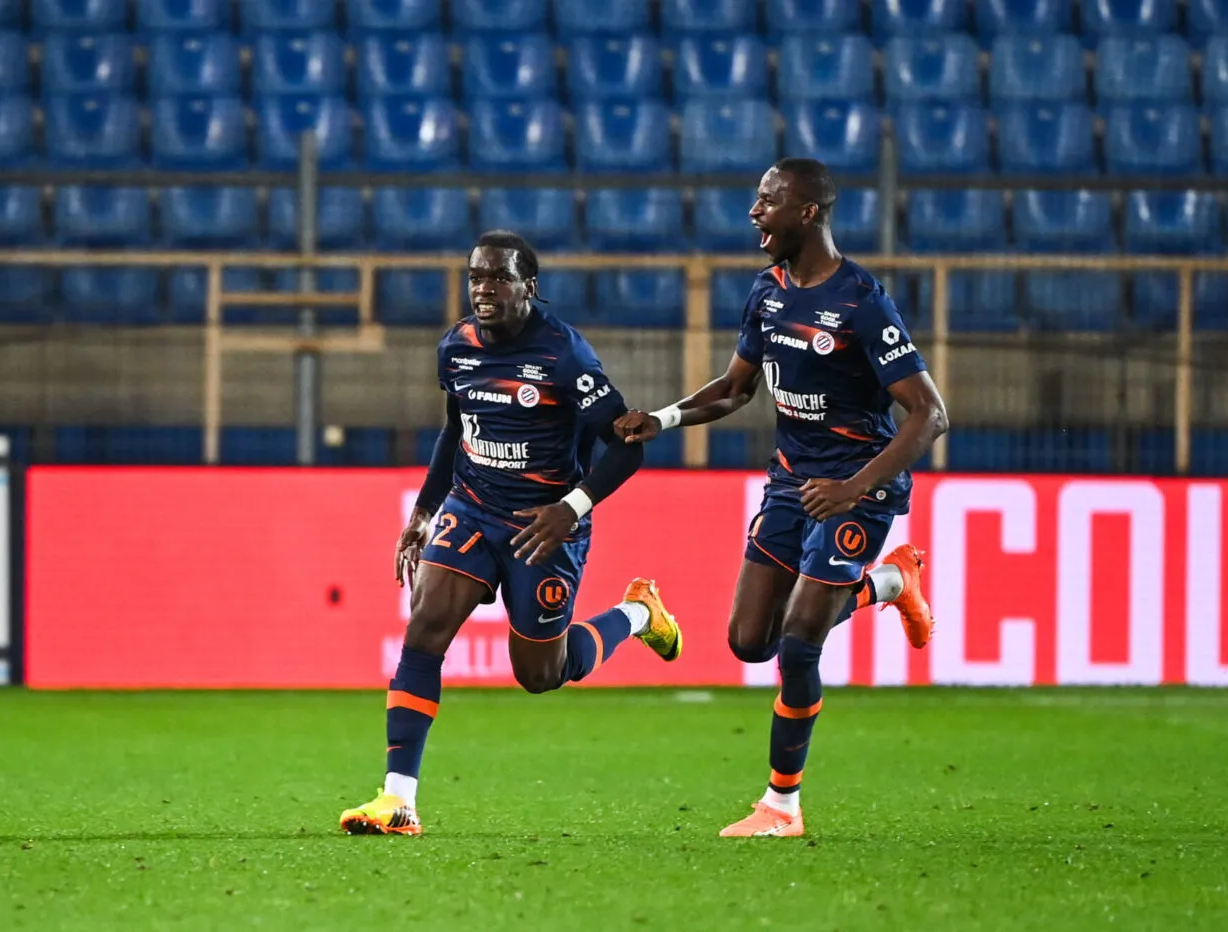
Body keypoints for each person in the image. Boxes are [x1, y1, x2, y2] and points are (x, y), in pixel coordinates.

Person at [614, 158, 949, 838]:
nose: (753, 212)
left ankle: (781, 806)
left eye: (768, 200)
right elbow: (737, 388)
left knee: (799, 645)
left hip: (856, 489)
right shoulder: (767, 292)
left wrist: (856, 487)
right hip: (792, 483)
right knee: (749, 641)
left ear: (808, 213)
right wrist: (664, 419)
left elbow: (929, 415)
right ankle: (892, 582)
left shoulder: (862, 302)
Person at [340, 231, 682, 837]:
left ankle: (635, 614)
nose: (484, 289)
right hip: (472, 509)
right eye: (475, 277)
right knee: (423, 633)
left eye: (498, 278)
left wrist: (570, 508)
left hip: (542, 529)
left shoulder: (565, 356)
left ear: (530, 286)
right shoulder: (456, 347)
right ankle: (397, 800)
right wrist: (423, 513)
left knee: (539, 675)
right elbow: (456, 429)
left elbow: (625, 450)